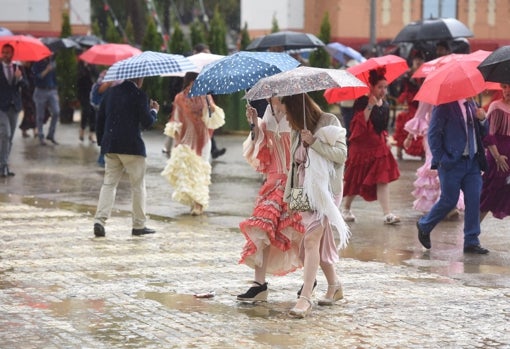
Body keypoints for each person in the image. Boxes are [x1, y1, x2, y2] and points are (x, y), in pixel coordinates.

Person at [281, 93, 350, 318]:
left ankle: (305, 298)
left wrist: (314, 143)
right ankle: (334, 285)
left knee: (311, 240)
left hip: (327, 191)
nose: (287, 119)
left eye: (287, 112)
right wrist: (291, 196)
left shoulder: (329, 121)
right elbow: (294, 165)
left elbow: (341, 155)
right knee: (315, 242)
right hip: (303, 191)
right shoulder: (296, 129)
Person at [236, 97, 305, 303]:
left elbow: (303, 151)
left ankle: (310, 280)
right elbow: (262, 147)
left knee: (301, 234)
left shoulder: (296, 112)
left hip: (294, 182)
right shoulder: (267, 111)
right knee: (262, 229)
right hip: (272, 181)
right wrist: (255, 124)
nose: (269, 95)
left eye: (273, 92)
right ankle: (259, 285)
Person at [416, 96, 489, 254]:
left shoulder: (472, 104)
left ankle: (471, 240)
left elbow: (483, 133)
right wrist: (442, 159)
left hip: (473, 162)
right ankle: (424, 225)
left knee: (474, 199)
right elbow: (433, 134)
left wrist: (483, 120)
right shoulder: (444, 105)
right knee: (449, 200)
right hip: (452, 163)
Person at [93, 77, 159, 237]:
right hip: (132, 147)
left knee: (109, 184)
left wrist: (102, 143)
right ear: (139, 79)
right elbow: (147, 122)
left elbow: (99, 120)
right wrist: (154, 111)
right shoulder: (139, 95)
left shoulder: (110, 93)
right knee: (138, 186)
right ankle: (138, 225)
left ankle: (99, 221)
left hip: (111, 146)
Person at [342, 68, 401, 224]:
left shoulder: (386, 104)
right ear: (372, 87)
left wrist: (387, 138)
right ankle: (346, 207)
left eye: (385, 87)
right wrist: (369, 106)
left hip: (379, 147)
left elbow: (382, 126)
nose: (383, 90)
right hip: (362, 147)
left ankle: (387, 214)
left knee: (382, 179)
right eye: (380, 87)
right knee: (356, 180)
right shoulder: (362, 101)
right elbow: (357, 126)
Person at [161, 72, 224, 216]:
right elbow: (176, 119)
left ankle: (199, 203)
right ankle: (193, 200)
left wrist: (211, 108)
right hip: (185, 138)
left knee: (200, 169)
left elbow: (212, 118)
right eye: (192, 82)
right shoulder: (179, 98)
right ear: (188, 82)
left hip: (203, 138)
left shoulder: (205, 96)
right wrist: (176, 142)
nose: (194, 86)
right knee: (188, 171)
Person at [480, 83, 510, 221]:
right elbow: (489, 134)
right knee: (490, 192)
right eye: (504, 87)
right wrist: (497, 156)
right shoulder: (496, 106)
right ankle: (472, 233)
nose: (507, 90)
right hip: (498, 155)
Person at [193, 43, 226, 160]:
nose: (208, 56)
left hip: (205, 106)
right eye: (205, 53)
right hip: (194, 109)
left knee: (206, 129)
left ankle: (213, 150)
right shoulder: (191, 69)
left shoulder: (208, 72)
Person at [393, 51, 425, 160]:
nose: (418, 62)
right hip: (410, 105)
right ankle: (399, 150)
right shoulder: (407, 76)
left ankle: (423, 152)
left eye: (420, 60)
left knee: (423, 123)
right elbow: (400, 93)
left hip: (422, 106)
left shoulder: (426, 75)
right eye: (416, 60)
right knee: (404, 119)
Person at [0, 43, 25, 177]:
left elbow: (25, 85)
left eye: (8, 52)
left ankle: (4, 165)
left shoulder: (18, 67)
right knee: (5, 134)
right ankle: (3, 165)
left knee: (9, 138)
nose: (5, 55)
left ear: (12, 54)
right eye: (3, 52)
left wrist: (19, 78)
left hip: (14, 107)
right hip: (1, 107)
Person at [32, 55, 60, 146]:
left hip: (52, 90)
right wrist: (47, 70)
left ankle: (51, 134)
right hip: (40, 90)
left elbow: (54, 77)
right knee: (40, 115)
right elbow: (37, 78)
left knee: (56, 112)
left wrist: (56, 90)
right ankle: (41, 136)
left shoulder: (52, 62)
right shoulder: (37, 62)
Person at [77, 61, 97, 143]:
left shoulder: (93, 66)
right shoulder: (80, 66)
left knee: (93, 113)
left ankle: (91, 134)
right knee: (86, 111)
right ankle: (82, 130)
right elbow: (79, 79)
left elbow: (96, 75)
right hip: (83, 93)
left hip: (92, 93)